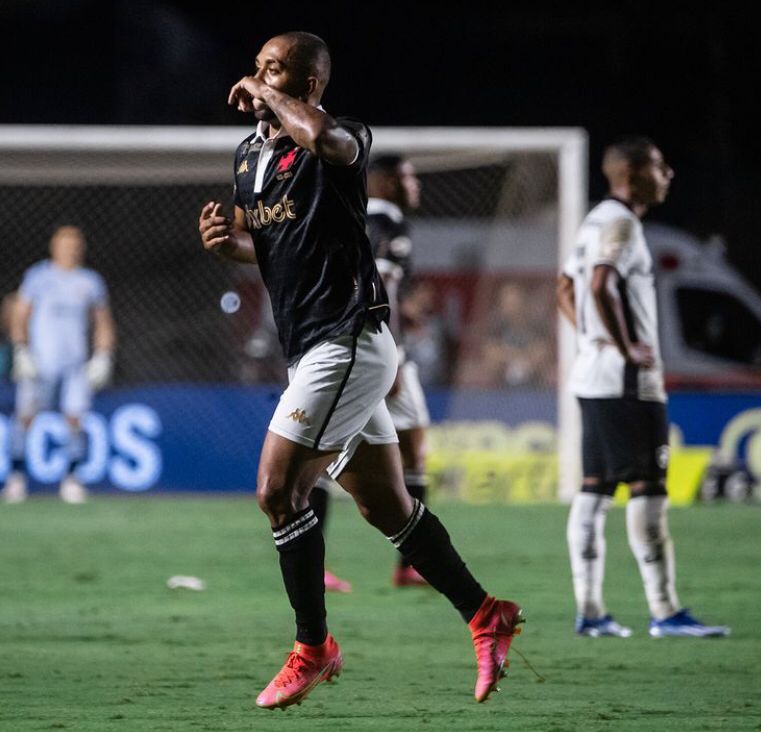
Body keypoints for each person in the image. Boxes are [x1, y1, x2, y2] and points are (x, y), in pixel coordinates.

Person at [197, 31, 522, 710]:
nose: (256, 80)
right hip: (315, 347)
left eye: (275, 71)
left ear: (309, 83)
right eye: (255, 68)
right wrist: (233, 249)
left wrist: (267, 96)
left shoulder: (340, 138)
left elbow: (320, 139)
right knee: (383, 505)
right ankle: (483, 613)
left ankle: (312, 648)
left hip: (346, 340)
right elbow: (279, 251)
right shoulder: (250, 157)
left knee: (276, 491)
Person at [556, 137, 729, 638]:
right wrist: (627, 346)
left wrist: (592, 339)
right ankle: (665, 611)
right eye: (658, 165)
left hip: (593, 375)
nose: (668, 172)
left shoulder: (593, 221)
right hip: (627, 382)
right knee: (649, 488)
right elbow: (597, 284)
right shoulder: (622, 223)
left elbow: (565, 287)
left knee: (595, 489)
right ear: (631, 174)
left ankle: (590, 612)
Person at [307, 153, 433, 591]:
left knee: (324, 455)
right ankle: (411, 563)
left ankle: (404, 564)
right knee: (411, 447)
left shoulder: (355, 218)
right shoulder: (387, 224)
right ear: (384, 182)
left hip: (346, 343)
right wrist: (393, 348)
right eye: (408, 175)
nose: (416, 184)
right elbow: (377, 284)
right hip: (378, 350)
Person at [2, 225, 116, 504]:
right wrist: (20, 349)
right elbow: (20, 315)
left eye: (75, 244)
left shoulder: (90, 281)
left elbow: (103, 322)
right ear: (54, 247)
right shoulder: (37, 277)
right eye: (65, 244)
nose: (70, 249)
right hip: (40, 363)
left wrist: (103, 356)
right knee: (26, 417)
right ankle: (16, 478)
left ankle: (71, 479)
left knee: (75, 420)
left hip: (75, 365)